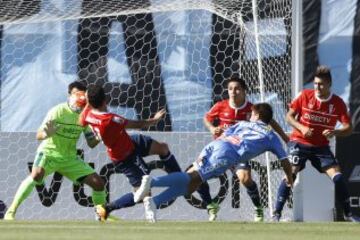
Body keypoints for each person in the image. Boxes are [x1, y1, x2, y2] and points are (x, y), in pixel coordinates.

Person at [133, 103, 294, 223]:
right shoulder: (271, 136)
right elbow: (285, 162)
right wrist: (290, 179)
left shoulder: (244, 124)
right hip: (227, 155)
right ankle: (151, 182)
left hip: (215, 146)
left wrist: (205, 153)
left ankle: (153, 203)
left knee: (191, 184)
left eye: (252, 114)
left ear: (257, 116)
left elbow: (224, 135)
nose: (250, 116)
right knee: (192, 178)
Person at [4, 81, 106, 220]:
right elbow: (39, 135)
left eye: (82, 96)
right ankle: (11, 211)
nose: (79, 100)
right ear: (70, 96)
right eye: (76, 94)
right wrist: (47, 133)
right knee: (36, 175)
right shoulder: (58, 111)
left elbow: (91, 143)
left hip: (69, 158)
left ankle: (101, 215)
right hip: (49, 153)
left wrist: (99, 136)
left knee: (98, 183)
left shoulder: (85, 115)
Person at [79, 84, 181, 221]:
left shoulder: (88, 114)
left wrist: (87, 103)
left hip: (130, 142)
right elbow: (137, 124)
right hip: (125, 156)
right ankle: (106, 208)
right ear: (105, 100)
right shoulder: (110, 120)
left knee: (162, 148)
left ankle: (180, 180)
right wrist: (155, 120)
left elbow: (80, 121)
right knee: (143, 193)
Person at [272, 65, 360, 222]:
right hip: (299, 141)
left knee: (338, 177)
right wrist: (302, 127)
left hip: (321, 147)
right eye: (315, 84)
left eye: (321, 84)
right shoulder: (305, 95)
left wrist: (336, 132)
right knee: (291, 173)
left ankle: (348, 214)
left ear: (329, 84)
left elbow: (348, 128)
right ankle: (276, 214)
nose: (317, 87)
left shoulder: (338, 103)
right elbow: (289, 117)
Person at [198, 77, 289, 221]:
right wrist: (212, 128)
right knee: (197, 175)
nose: (233, 92)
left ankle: (258, 208)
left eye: (237, 88)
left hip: (238, 153)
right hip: (219, 152)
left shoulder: (253, 110)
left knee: (245, 179)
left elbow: (270, 121)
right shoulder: (220, 105)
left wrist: (285, 137)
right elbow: (206, 118)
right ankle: (210, 205)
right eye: (230, 89)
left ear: (244, 91)